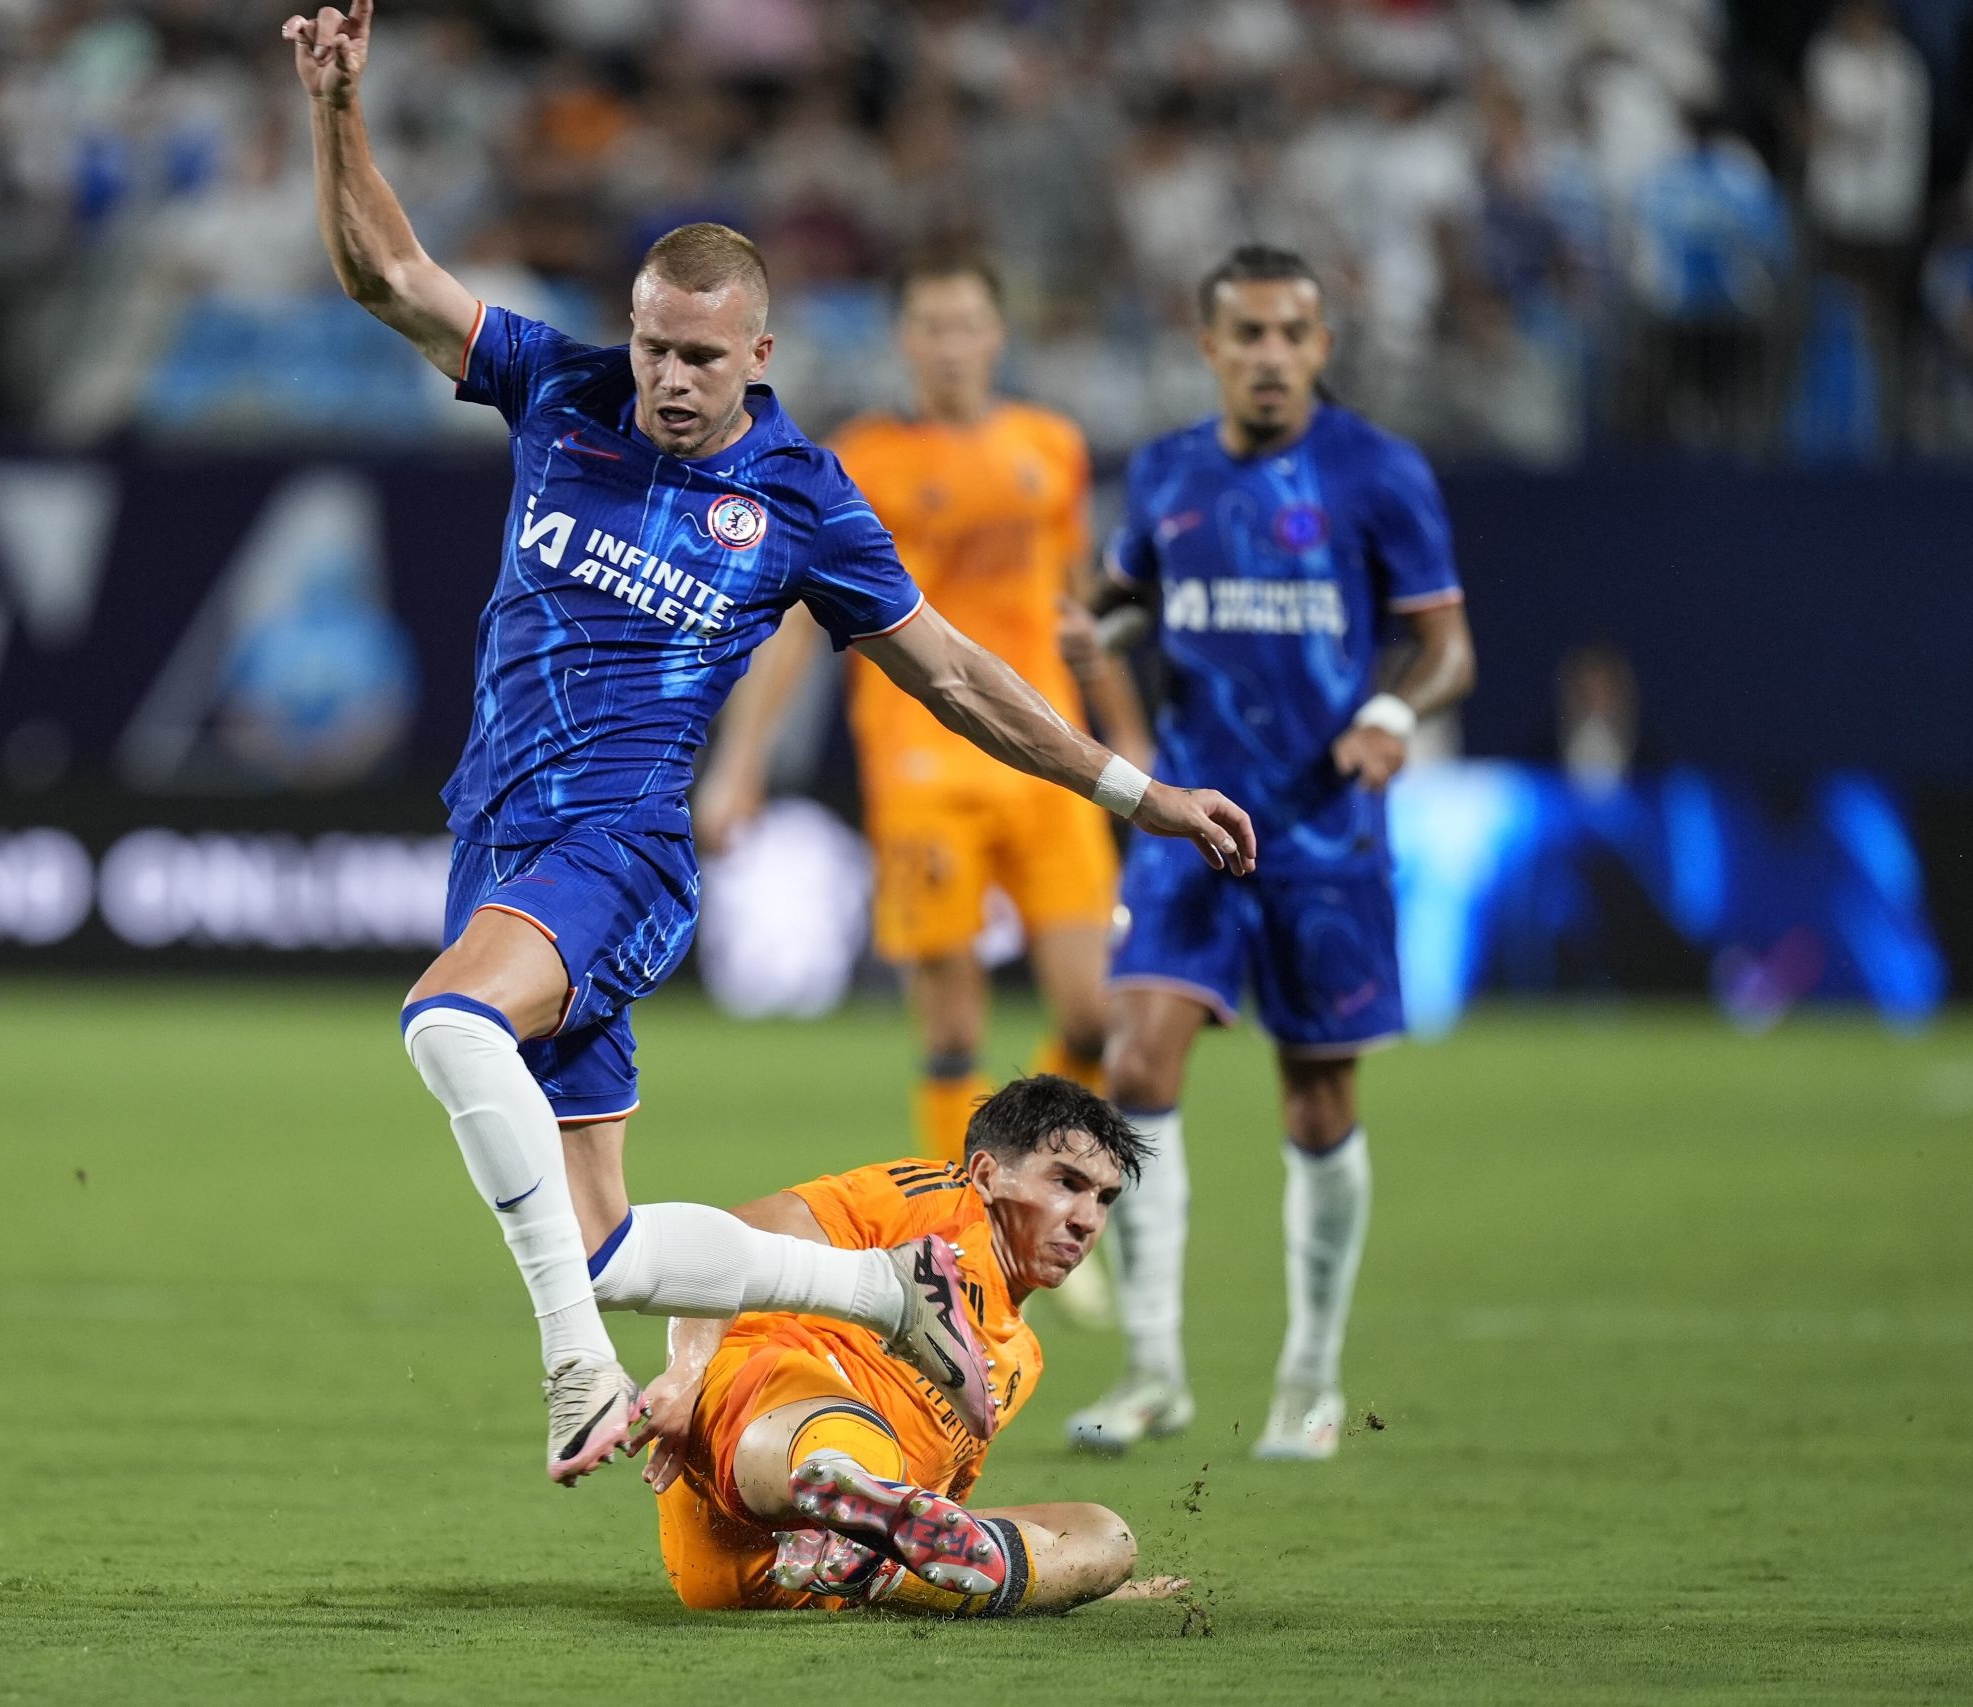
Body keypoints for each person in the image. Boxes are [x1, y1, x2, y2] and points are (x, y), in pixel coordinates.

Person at [282, 5, 1258, 1486]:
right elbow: (383, 275)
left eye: (698, 356)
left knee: (448, 1023)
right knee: (605, 1241)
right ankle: (888, 1289)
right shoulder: (562, 387)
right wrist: (339, 105)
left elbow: (956, 674)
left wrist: (1136, 790)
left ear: (760, 351)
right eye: (652, 346)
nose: (667, 378)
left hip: (614, 845)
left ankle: (569, 1379)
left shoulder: (803, 496)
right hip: (496, 834)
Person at [1065, 245, 1475, 1461]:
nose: (1269, 356)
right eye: (1245, 334)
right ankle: (1150, 1370)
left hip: (1325, 832)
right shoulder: (1168, 474)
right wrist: (1101, 650)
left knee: (1318, 1095)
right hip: (1195, 825)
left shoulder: (1377, 473)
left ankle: (1308, 1373)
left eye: (1292, 333)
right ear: (1208, 346)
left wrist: (1392, 715)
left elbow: (1447, 647)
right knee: (1135, 1062)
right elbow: (1121, 605)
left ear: (1321, 347)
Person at [696, 252, 1150, 1168]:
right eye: (932, 326)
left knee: (1095, 1013)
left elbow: (1076, 608)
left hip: (1046, 747)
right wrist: (741, 762)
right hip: (921, 756)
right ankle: (964, 1226)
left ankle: (1036, 1178)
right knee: (952, 1020)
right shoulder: (862, 459)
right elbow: (794, 620)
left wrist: (1126, 729)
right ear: (905, 339)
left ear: (998, 334)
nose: (950, 346)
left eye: (967, 324)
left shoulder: (1049, 446)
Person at [634, 1076, 1189, 1615]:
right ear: (988, 1174)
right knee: (837, 1431)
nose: (1088, 1221)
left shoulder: (1021, 1358)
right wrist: (686, 1372)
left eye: (1105, 1198)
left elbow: (938, 1518)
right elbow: (716, 1245)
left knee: (1103, 1536)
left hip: (811, 1582)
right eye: (1066, 1184)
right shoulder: (927, 1203)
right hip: (745, 1461)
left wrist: (1070, 1581)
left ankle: (870, 1559)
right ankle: (845, 1495)